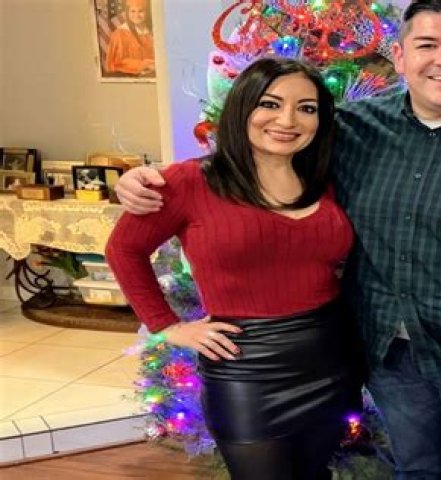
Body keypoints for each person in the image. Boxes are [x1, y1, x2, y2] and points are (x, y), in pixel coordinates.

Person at [114, 1, 441, 478]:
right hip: (389, 358)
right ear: (400, 55)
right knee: (418, 471)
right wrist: (144, 181)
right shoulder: (352, 129)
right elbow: (261, 156)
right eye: (427, 45)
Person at [105, 58, 362, 480]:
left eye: (306, 108)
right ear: (242, 107)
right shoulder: (189, 181)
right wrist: (166, 326)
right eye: (270, 104)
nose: (288, 120)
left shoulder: (325, 179)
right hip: (246, 369)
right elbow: (123, 250)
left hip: (330, 358)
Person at [104, 0, 155, 76]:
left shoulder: (152, 32)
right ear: (127, 12)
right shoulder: (120, 34)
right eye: (132, 11)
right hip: (128, 76)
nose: (136, 15)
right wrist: (144, 64)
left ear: (147, 12)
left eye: (141, 11)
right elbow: (116, 62)